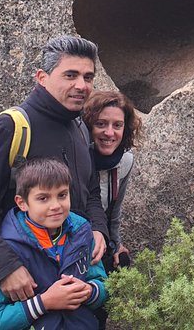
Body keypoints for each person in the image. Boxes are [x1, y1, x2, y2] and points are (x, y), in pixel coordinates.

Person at [0, 35, 109, 304]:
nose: (81, 85)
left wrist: (98, 229)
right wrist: (4, 267)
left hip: (76, 279)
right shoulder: (10, 128)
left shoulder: (79, 128)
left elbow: (89, 190)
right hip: (23, 287)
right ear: (42, 77)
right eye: (70, 75)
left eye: (88, 77)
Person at [0, 158, 108, 329]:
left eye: (62, 195)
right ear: (22, 203)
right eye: (43, 198)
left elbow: (103, 283)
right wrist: (43, 303)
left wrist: (90, 291)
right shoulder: (4, 252)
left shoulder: (82, 232)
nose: (56, 206)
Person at [83, 90, 140, 271]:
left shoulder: (125, 161)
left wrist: (116, 244)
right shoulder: (75, 157)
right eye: (101, 124)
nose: (109, 133)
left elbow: (114, 212)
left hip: (100, 238)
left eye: (117, 125)